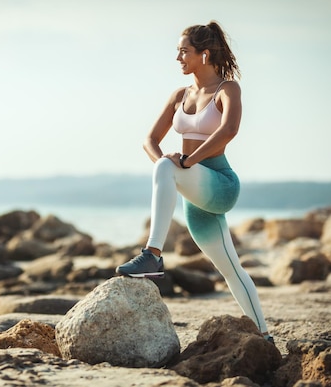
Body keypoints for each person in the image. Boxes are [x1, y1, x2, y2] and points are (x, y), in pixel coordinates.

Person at [115, 21, 273, 342]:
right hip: (194, 190)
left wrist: (185, 162)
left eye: (183, 51)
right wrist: (167, 165)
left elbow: (228, 130)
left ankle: (153, 255)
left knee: (167, 167)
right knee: (230, 268)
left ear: (204, 54)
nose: (178, 58)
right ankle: (264, 335)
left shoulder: (228, 89)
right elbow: (149, 139)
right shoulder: (179, 95)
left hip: (220, 183)